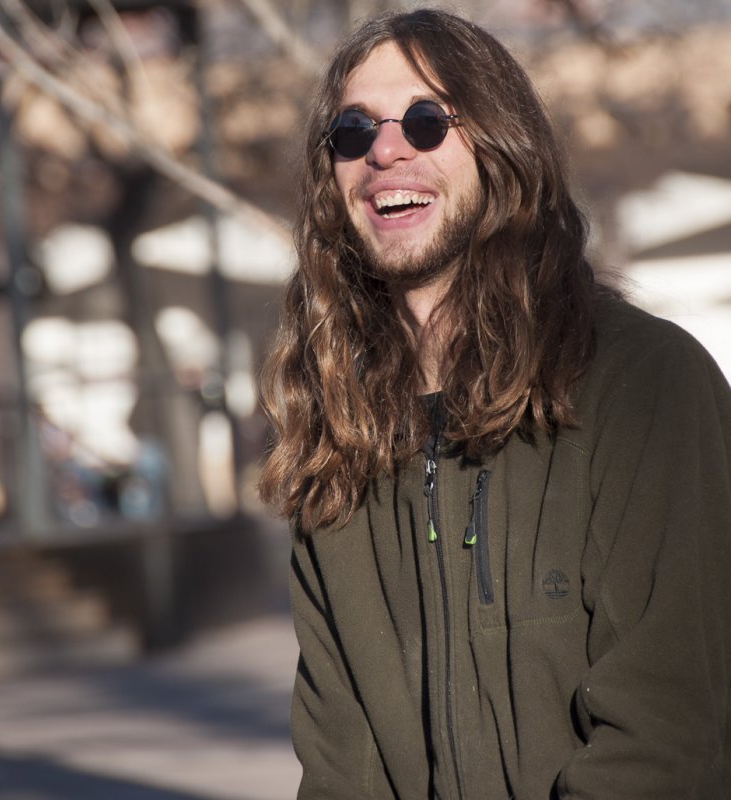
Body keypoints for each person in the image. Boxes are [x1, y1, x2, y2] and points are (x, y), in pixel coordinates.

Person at [258, 8, 731, 799]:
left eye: (425, 120)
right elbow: (340, 767)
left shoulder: (644, 385)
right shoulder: (338, 434)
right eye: (351, 130)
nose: (384, 149)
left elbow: (670, 742)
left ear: (502, 148)